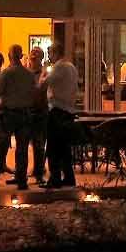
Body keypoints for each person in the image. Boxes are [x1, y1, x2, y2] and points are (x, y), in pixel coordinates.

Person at [0, 43, 36, 188]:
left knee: (1, 147)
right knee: (22, 148)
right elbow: (34, 93)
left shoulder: (7, 73)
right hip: (25, 113)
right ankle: (21, 179)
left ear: (10, 55)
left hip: (9, 113)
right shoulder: (29, 74)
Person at [44, 42, 80, 188]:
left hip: (57, 110)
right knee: (65, 148)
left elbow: (44, 83)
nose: (49, 56)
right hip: (69, 110)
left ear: (56, 52)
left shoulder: (59, 67)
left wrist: (43, 71)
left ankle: (55, 178)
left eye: (50, 52)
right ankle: (69, 177)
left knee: (53, 147)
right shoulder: (71, 67)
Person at [26, 45, 50, 186]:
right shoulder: (26, 72)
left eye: (36, 54)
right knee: (25, 143)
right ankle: (32, 170)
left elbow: (40, 89)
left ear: (41, 58)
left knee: (39, 143)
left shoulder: (44, 73)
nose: (33, 56)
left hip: (41, 111)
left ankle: (39, 172)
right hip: (28, 110)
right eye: (32, 53)